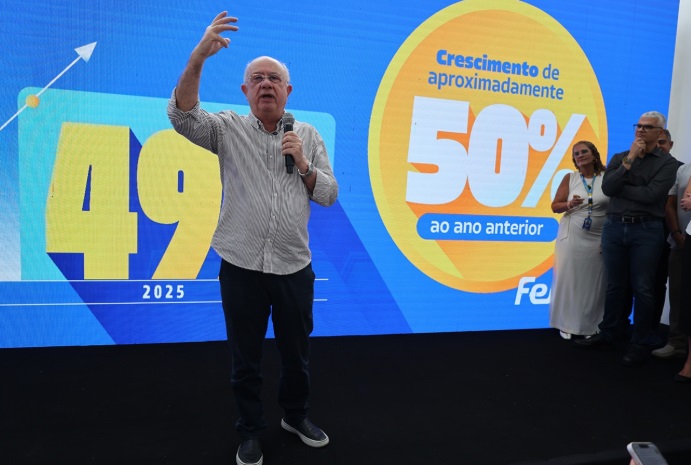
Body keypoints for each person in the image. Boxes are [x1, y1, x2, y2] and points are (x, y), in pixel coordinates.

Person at [167, 11, 339, 465]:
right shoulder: (226, 129)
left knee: (296, 356)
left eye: (274, 79)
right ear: (245, 91)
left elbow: (328, 194)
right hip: (240, 267)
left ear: (288, 91)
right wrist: (198, 58)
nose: (266, 84)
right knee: (245, 361)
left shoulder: (308, 136)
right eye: (257, 79)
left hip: (293, 268)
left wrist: (304, 164)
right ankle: (249, 432)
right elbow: (181, 117)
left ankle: (295, 417)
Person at [575, 112, 678, 366]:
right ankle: (609, 332)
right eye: (638, 126)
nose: (640, 130)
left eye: (647, 127)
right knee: (614, 285)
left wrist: (622, 187)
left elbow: (652, 195)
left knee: (643, 287)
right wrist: (629, 160)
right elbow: (608, 188)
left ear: (660, 133)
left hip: (646, 230)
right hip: (614, 226)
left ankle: (639, 342)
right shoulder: (621, 156)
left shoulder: (668, 164)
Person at [549, 141, 608, 339]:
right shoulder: (570, 177)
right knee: (570, 281)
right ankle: (566, 324)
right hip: (572, 236)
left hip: (599, 236)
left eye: (584, 151)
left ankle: (591, 326)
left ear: (594, 154)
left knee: (594, 283)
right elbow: (555, 206)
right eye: (576, 154)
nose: (580, 155)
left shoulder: (607, 177)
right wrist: (569, 204)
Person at [653, 130, 689, 359]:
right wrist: (676, 234)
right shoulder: (683, 169)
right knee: (677, 293)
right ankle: (676, 343)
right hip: (681, 243)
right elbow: (670, 205)